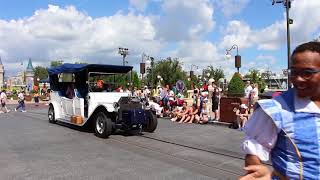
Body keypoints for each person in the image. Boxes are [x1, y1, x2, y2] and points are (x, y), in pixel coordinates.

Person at [240, 41, 320, 179]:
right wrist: (261, 174)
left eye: (307, 73)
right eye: (293, 72)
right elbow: (254, 152)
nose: (298, 79)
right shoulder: (276, 109)